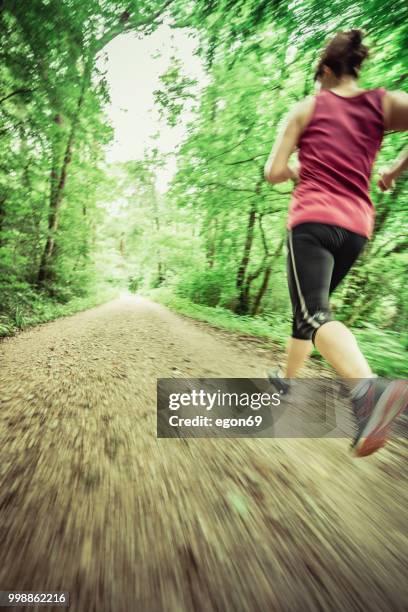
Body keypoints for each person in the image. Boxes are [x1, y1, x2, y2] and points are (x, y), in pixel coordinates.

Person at [263, 29, 408, 457]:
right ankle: (287, 378)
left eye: (317, 76)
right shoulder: (384, 103)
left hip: (313, 220)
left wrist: (293, 171)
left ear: (325, 70)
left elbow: (273, 170)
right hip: (356, 229)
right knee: (310, 309)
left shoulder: (307, 108)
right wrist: (395, 171)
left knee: (315, 313)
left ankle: (370, 393)